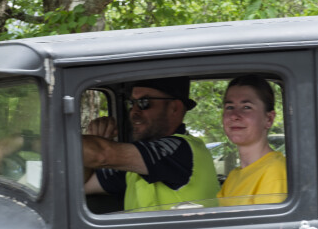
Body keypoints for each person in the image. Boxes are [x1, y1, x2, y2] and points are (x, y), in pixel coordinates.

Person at [83, 77, 219, 211]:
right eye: (131, 103)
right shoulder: (139, 163)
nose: (134, 112)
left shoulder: (180, 150)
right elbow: (84, 184)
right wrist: (97, 138)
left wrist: (95, 143)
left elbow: (102, 155)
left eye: (144, 102)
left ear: (174, 108)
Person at [217, 74, 287, 206]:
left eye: (246, 107)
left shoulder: (274, 173)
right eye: (230, 107)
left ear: (269, 119)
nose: (234, 116)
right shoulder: (233, 176)